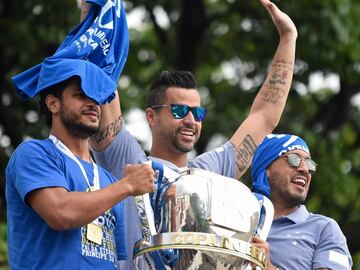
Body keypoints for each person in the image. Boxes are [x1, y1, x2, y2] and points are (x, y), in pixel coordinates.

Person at [90, 0, 297, 268]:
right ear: (151, 116)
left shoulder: (209, 174)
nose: (191, 120)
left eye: (198, 113)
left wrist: (288, 38)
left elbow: (264, 116)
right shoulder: (128, 162)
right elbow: (101, 77)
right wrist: (94, 11)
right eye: (179, 110)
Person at [5, 76, 155, 270]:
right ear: (53, 103)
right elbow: (60, 212)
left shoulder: (109, 181)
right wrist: (126, 185)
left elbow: (115, 262)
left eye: (96, 97)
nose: (93, 103)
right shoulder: (34, 153)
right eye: (81, 95)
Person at [250, 134, 353, 270]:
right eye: (294, 159)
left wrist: (267, 267)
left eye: (309, 164)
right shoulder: (236, 217)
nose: (305, 169)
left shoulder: (324, 229)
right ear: (266, 167)